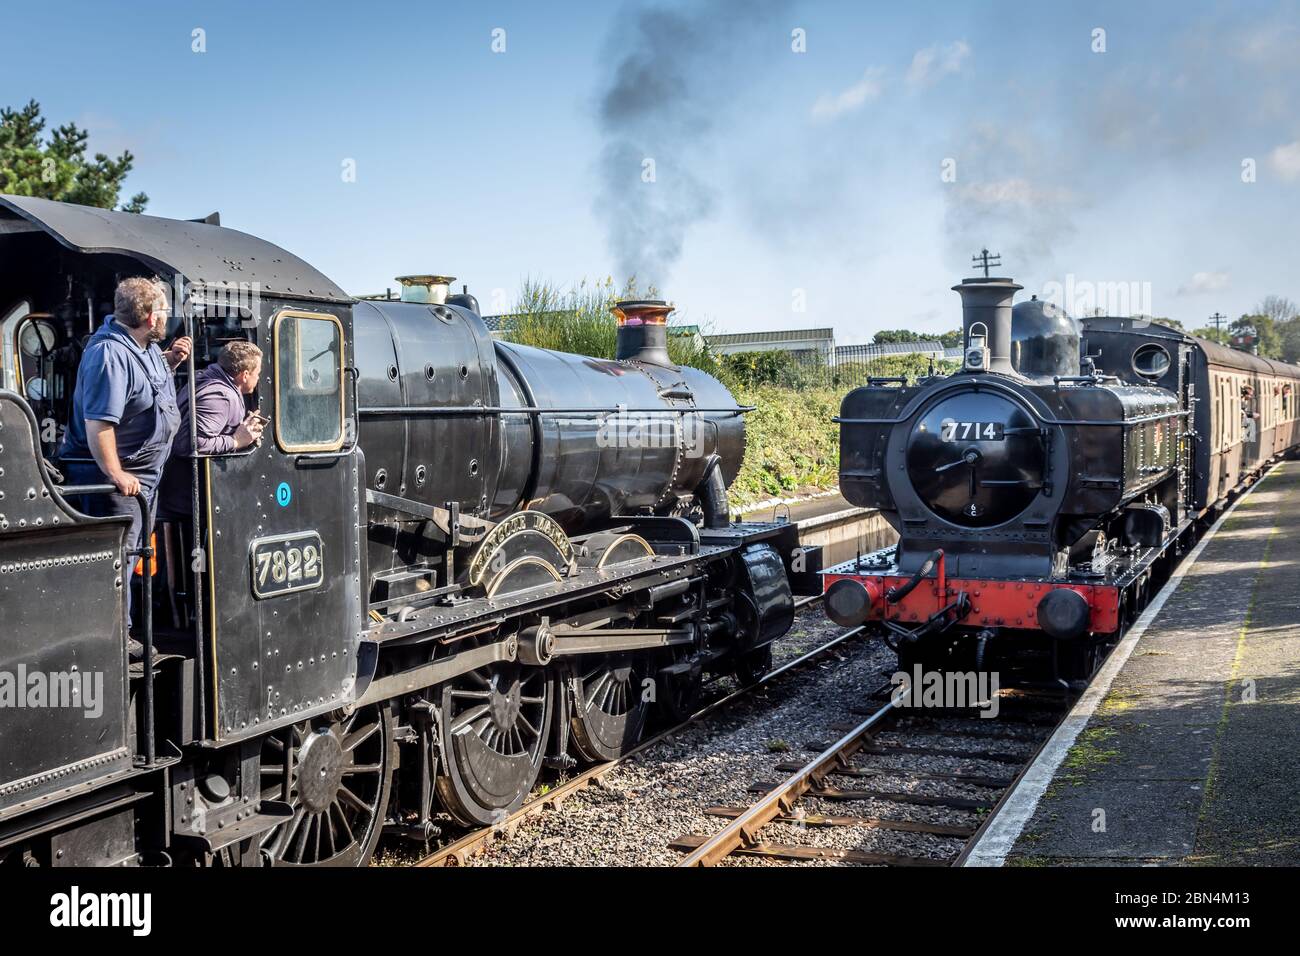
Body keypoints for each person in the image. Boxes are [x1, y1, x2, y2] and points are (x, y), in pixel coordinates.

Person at [58, 277, 190, 655]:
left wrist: (171, 361)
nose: (167, 317)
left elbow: (140, 384)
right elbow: (100, 424)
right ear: (149, 316)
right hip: (115, 481)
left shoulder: (144, 346)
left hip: (145, 478)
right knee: (116, 561)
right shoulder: (108, 355)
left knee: (131, 557)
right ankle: (114, 642)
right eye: (163, 309)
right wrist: (116, 474)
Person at [159, 341, 264, 518]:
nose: (259, 378)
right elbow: (190, 444)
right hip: (188, 498)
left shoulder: (202, 377)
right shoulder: (221, 396)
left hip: (177, 492)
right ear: (245, 375)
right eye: (257, 373)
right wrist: (237, 440)